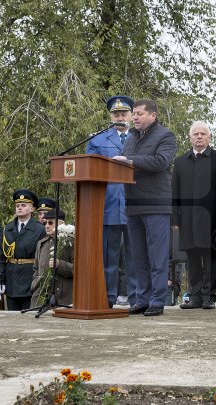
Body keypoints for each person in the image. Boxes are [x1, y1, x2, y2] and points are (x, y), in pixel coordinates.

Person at [112, 99, 176, 316]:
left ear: (153, 116)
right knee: (138, 256)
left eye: (139, 113)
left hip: (156, 204)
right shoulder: (131, 138)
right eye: (134, 114)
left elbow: (161, 162)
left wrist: (129, 160)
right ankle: (142, 299)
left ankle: (157, 301)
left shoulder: (165, 136)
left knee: (157, 256)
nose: (135, 117)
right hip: (133, 204)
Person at [172, 121, 216, 310]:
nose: (199, 137)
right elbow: (175, 193)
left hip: (211, 219)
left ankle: (209, 296)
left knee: (210, 257)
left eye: (203, 134)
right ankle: (195, 296)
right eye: (195, 134)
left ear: (209, 137)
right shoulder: (180, 162)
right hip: (187, 219)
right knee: (192, 258)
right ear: (189, 138)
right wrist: (175, 219)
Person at [87, 95, 135, 308]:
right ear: (110, 116)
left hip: (136, 206)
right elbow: (89, 173)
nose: (120, 117)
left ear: (132, 115)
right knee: (109, 258)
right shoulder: (98, 140)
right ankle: (107, 299)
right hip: (109, 207)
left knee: (137, 258)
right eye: (116, 114)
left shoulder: (141, 138)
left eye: (124, 113)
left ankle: (137, 299)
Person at [0, 190, 46, 311]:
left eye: (23, 205)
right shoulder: (8, 229)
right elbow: (1, 257)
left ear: (32, 208)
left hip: (29, 279)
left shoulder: (39, 229)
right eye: (17, 205)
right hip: (11, 279)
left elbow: (42, 259)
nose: (19, 208)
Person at [31, 209, 74, 307]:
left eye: (50, 223)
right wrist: (34, 286)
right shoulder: (41, 243)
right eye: (45, 223)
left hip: (63, 300)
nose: (46, 226)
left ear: (61, 224)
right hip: (40, 298)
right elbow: (36, 269)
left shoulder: (71, 243)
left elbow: (80, 271)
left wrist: (60, 265)